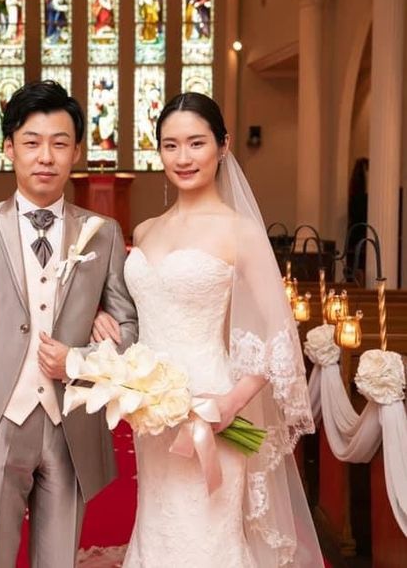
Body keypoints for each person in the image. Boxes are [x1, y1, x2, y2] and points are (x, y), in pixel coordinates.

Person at [93, 92, 323, 567]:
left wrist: (230, 403)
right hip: (151, 411)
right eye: (170, 145)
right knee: (159, 523)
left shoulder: (240, 231)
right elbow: (139, 313)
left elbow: (280, 336)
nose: (183, 157)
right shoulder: (147, 229)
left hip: (212, 405)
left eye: (196, 143)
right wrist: (102, 322)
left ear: (223, 145)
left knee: (207, 533)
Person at [0, 80, 137, 568]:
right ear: (9, 148)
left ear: (76, 152)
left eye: (60, 144)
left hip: (72, 426)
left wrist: (80, 358)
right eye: (31, 142)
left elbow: (129, 331)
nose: (46, 156)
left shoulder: (104, 234)